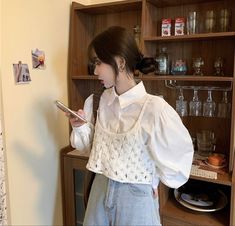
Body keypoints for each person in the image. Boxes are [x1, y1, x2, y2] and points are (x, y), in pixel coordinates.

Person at [69, 26, 194, 226]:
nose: (95, 70)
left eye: (99, 62)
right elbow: (91, 146)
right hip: (99, 188)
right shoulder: (98, 100)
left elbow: (179, 162)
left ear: (120, 62)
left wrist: (153, 179)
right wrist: (79, 126)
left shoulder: (154, 109)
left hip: (136, 198)